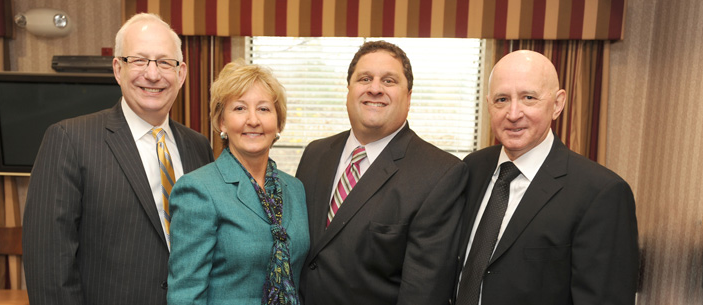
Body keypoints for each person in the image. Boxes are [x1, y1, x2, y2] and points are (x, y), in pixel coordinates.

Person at [22, 13, 214, 305]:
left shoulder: (198, 147)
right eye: (138, 60)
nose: (152, 74)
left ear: (181, 73)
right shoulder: (69, 140)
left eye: (164, 62)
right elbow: (49, 264)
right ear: (117, 68)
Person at [455, 50, 639, 305]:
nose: (513, 113)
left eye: (528, 98)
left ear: (557, 103)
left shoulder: (601, 193)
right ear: (488, 104)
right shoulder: (470, 169)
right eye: (502, 99)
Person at [295, 40, 468, 304]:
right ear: (349, 90)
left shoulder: (440, 173)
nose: (375, 89)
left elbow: (423, 293)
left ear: (408, 97)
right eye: (365, 78)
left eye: (389, 81)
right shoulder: (315, 154)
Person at [167, 61, 309, 304]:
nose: (253, 120)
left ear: (278, 123)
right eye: (240, 108)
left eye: (264, 109)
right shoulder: (198, 189)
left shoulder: (295, 189)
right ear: (222, 123)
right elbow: (185, 295)